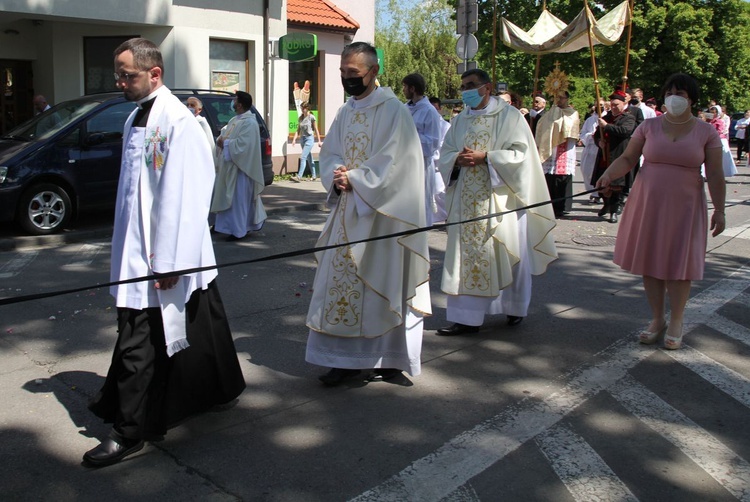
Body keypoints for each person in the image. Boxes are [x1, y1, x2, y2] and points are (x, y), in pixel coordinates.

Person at [85, 38, 245, 467]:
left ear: (154, 73)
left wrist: (173, 260)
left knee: (140, 339)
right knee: (199, 320)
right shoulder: (136, 117)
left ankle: (129, 431)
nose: (119, 81)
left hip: (163, 255)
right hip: (135, 249)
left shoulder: (178, 122)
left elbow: (188, 194)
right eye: (118, 74)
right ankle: (220, 388)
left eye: (127, 75)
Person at [305, 42, 431, 386]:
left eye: (354, 74)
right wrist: (336, 174)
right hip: (349, 211)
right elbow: (330, 151)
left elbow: (400, 163)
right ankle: (343, 361)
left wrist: (357, 178)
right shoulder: (346, 111)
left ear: (373, 72)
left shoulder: (393, 110)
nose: (348, 79)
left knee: (379, 286)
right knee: (340, 284)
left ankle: (387, 358)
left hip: (382, 215)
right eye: (343, 73)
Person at [595, 73, 726, 350]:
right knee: (650, 261)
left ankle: (676, 319)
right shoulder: (649, 127)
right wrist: (608, 175)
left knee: (679, 264)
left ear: (692, 99)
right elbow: (629, 158)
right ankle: (657, 319)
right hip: (649, 201)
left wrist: (720, 210)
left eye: (681, 92)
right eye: (670, 92)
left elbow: (715, 173)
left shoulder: (707, 132)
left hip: (686, 205)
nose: (674, 97)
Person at [435, 68, 557, 336]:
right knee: (465, 258)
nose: (465, 91)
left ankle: (514, 307)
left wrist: (487, 157)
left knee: (506, 251)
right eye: (463, 86)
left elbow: (522, 156)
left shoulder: (510, 117)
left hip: (502, 201)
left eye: (471, 85)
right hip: (466, 200)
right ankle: (465, 318)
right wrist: (455, 159)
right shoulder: (459, 121)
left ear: (487, 88)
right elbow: (444, 152)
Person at [211, 90, 267, 241]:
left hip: (242, 170)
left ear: (240, 104)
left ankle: (239, 230)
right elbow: (226, 135)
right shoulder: (236, 120)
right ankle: (231, 227)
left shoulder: (249, 123)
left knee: (239, 202)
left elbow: (244, 146)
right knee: (232, 200)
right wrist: (221, 140)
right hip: (231, 168)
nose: (233, 102)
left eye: (235, 100)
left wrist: (226, 143)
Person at [402, 72, 446, 225]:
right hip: (403, 164)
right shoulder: (403, 108)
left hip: (421, 165)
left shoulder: (429, 111)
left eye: (405, 87)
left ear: (413, 89)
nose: (403, 90)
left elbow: (433, 143)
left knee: (419, 204)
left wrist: (408, 137)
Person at [591, 90, 637, 223]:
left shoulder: (628, 117)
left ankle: (614, 211)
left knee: (616, 185)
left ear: (623, 104)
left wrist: (607, 126)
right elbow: (597, 134)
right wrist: (598, 141)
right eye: (612, 105)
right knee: (602, 184)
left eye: (616, 105)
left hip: (618, 154)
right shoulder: (606, 117)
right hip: (604, 154)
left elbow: (624, 131)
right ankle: (606, 204)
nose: (614, 107)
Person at [535, 90, 580, 218]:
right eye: (557, 97)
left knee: (562, 176)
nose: (559, 100)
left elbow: (571, 128)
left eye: (562, 98)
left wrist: (558, 122)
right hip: (551, 146)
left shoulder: (572, 113)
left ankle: (563, 206)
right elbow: (543, 125)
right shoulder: (551, 112)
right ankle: (551, 205)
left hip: (565, 146)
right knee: (550, 176)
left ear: (567, 99)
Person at [290, 102, 323, 182]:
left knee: (303, 157)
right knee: (309, 157)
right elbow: (298, 130)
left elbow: (316, 129)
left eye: (303, 108)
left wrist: (319, 141)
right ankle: (314, 175)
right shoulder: (301, 118)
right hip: (302, 139)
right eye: (301, 108)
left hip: (309, 139)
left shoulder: (311, 117)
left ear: (307, 108)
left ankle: (299, 176)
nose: (302, 110)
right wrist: (294, 139)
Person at [579, 103, 602, 204]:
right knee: (587, 171)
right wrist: (589, 136)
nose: (598, 107)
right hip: (590, 147)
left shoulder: (606, 118)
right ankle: (593, 191)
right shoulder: (589, 120)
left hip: (600, 149)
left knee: (598, 172)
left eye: (601, 105)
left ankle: (598, 193)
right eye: (597, 105)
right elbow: (583, 133)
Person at [706, 105, 737, 177]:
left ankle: (721, 173)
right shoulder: (709, 121)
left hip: (719, 140)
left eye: (714, 112)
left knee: (721, 158)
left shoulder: (720, 121)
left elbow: (720, 131)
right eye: (711, 112)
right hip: (710, 140)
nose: (712, 114)